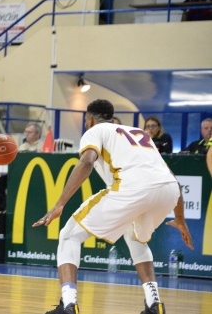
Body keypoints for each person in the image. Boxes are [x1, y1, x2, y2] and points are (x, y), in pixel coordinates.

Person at [34, 99, 193, 314]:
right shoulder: (140, 134)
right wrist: (181, 220)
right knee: (134, 237)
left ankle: (69, 305)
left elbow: (87, 162)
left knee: (69, 235)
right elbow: (172, 179)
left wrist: (59, 204)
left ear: (89, 119)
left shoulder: (94, 131)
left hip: (133, 188)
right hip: (168, 190)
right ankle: (154, 304)